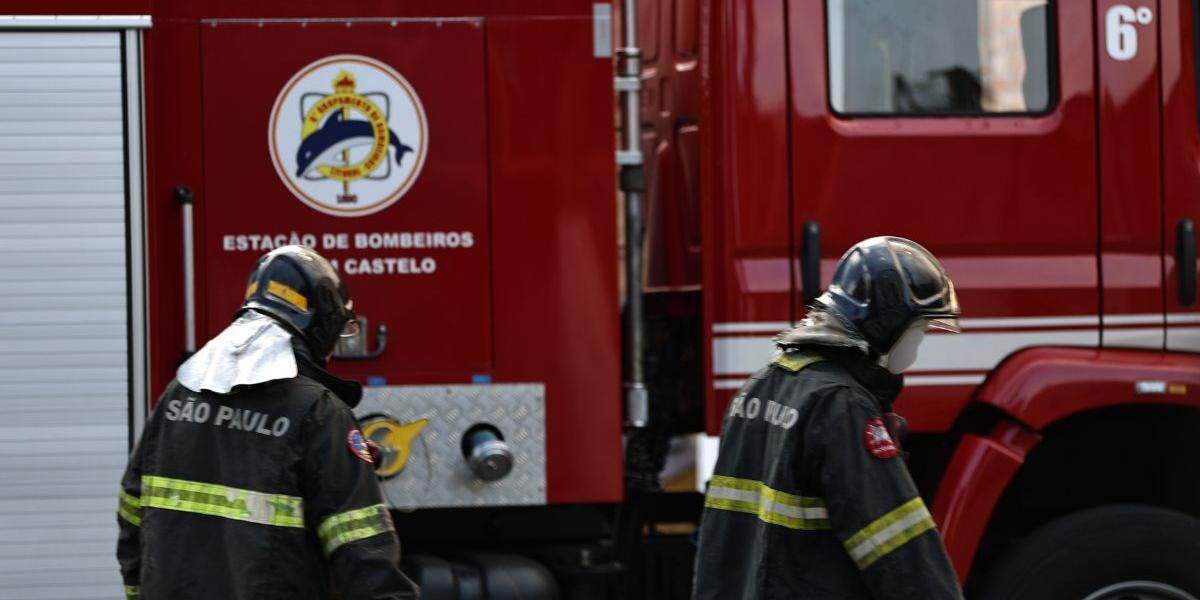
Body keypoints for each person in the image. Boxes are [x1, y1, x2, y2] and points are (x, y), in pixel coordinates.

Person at [116, 245, 419, 600]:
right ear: (320, 326)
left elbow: (132, 513)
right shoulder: (320, 413)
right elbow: (365, 558)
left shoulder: (179, 395)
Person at [693, 236, 965, 600]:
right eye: (917, 331)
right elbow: (902, 552)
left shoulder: (757, 390)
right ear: (885, 325)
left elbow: (720, 546)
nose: (918, 345)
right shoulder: (840, 405)